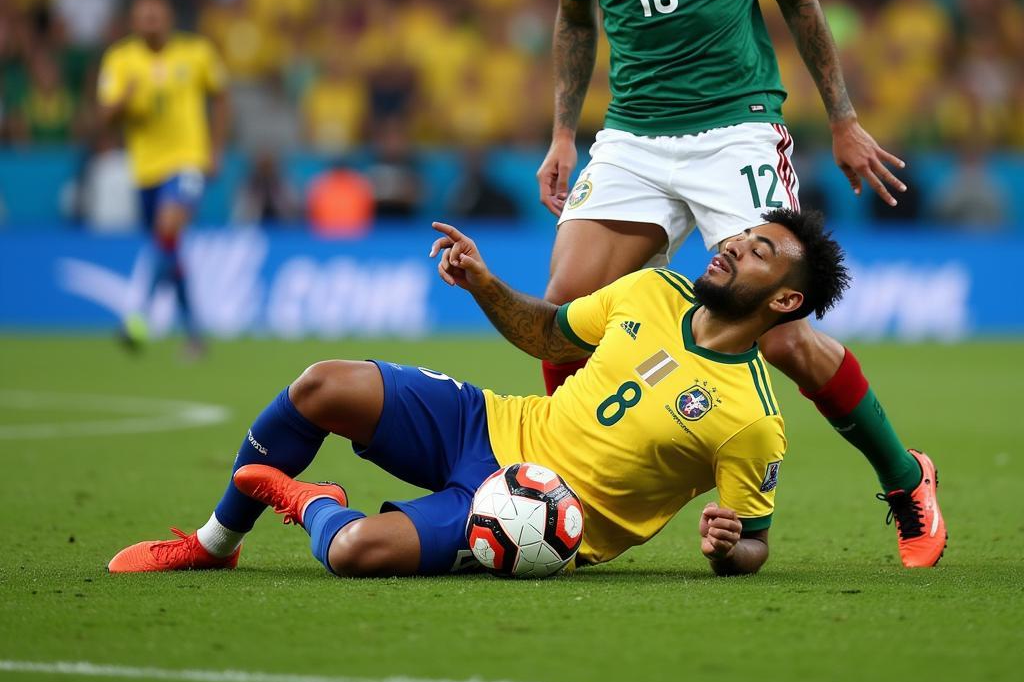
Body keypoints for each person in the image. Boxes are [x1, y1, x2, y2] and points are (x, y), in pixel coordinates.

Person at [534, 0, 944, 567]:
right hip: (634, 135)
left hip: (736, 129)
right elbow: (575, 21)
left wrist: (846, 116)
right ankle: (567, 493)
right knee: (560, 319)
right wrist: (562, 134)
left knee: (785, 337)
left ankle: (906, 479)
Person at [108, 209, 859, 579]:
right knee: (322, 385)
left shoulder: (751, 420)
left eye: (760, 251)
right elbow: (548, 335)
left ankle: (313, 500)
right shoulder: (653, 289)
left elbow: (755, 539)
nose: (733, 245)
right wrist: (485, 283)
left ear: (786, 304)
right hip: (492, 425)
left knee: (356, 550)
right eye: (742, 236)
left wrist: (731, 545)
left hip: (536, 517)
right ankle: (213, 545)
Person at [96, 0, 229, 357]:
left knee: (168, 230)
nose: (150, 22)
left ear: (168, 16)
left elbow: (221, 96)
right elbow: (103, 117)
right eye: (143, 16)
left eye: (156, 14)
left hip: (188, 160)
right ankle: (195, 334)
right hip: (145, 170)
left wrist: (216, 150)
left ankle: (138, 316)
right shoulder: (120, 60)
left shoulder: (197, 52)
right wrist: (122, 101)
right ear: (134, 21)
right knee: (168, 249)